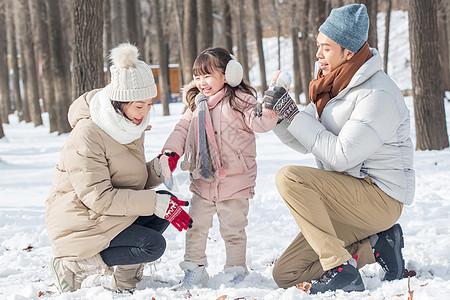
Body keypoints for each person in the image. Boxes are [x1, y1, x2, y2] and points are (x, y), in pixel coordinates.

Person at [260, 4, 415, 294]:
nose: (318, 54)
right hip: (346, 198)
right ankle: (377, 245)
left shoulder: (378, 94)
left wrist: (292, 114)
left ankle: (339, 268)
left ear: (349, 53)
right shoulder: (333, 89)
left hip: (379, 198)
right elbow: (305, 141)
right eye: (318, 46)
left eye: (326, 48)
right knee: (287, 273)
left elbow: (343, 156)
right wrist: (278, 118)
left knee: (290, 178)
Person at [45, 43, 192, 294]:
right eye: (139, 105)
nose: (145, 112)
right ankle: (73, 265)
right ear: (120, 101)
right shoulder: (88, 134)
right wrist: (155, 204)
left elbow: (128, 181)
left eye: (149, 104)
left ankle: (125, 279)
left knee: (167, 205)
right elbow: (99, 198)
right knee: (152, 245)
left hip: (107, 214)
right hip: (81, 222)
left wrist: (158, 168)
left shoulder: (128, 125)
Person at [159, 47, 278, 289]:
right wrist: (171, 154)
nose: (202, 82)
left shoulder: (240, 100)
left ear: (228, 75)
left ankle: (235, 270)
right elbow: (182, 130)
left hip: (235, 181)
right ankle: (195, 267)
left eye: (208, 75)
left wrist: (270, 106)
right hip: (203, 180)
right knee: (196, 227)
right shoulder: (195, 105)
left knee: (233, 230)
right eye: (197, 76)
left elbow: (260, 122)